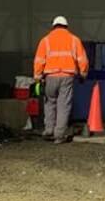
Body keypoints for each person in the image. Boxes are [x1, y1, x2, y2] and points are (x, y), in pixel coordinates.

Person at [33, 15, 90, 144]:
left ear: (53, 26)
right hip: (67, 77)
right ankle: (59, 135)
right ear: (66, 26)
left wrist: (37, 77)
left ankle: (49, 130)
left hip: (50, 77)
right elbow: (83, 60)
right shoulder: (74, 40)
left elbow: (39, 60)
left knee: (49, 103)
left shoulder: (45, 40)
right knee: (63, 106)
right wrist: (83, 74)